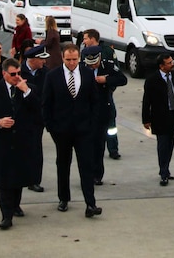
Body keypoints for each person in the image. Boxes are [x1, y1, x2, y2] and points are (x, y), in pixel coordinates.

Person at [0, 58, 43, 230]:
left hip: (23, 141)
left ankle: (15, 205)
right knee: (5, 180)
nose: (17, 77)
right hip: (3, 142)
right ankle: (6, 215)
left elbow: (38, 111)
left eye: (19, 74)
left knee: (19, 177)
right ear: (4, 73)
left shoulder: (29, 89)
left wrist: (27, 91)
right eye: (13, 74)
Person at [41, 43, 102, 217]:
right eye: (68, 60)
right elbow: (46, 103)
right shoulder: (53, 76)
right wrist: (51, 127)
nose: (72, 63)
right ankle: (63, 198)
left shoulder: (87, 74)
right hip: (61, 130)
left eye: (75, 59)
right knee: (63, 164)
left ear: (79, 58)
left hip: (84, 130)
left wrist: (92, 124)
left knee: (86, 166)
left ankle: (90, 203)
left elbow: (95, 101)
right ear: (62, 58)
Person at [81, 45, 127, 185]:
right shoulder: (81, 67)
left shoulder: (108, 66)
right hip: (85, 112)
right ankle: (86, 174)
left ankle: (97, 175)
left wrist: (106, 80)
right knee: (85, 147)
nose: (92, 66)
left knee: (99, 145)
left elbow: (123, 79)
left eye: (94, 63)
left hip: (102, 111)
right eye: (90, 64)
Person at [142, 53, 174, 187]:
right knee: (163, 145)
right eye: (168, 63)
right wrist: (146, 119)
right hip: (160, 117)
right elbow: (147, 101)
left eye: (172, 61)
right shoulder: (152, 80)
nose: (172, 64)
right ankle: (163, 173)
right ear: (161, 66)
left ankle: (166, 168)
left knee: (170, 144)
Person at [82, 29, 120, 160]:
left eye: (85, 38)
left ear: (93, 39)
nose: (84, 41)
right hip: (90, 98)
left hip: (105, 94)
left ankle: (113, 148)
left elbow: (117, 72)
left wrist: (108, 84)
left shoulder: (107, 51)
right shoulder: (84, 52)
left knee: (110, 125)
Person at [21, 45, 50, 193]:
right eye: (42, 60)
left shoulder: (45, 73)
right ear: (33, 60)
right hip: (20, 118)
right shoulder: (19, 72)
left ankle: (34, 180)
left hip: (37, 118)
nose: (44, 62)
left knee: (36, 150)